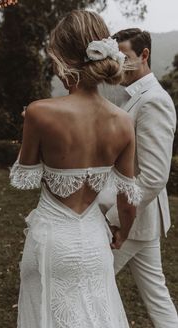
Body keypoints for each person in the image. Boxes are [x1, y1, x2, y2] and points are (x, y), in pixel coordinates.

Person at [10, 11, 142, 328]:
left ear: (63, 59)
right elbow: (128, 199)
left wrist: (30, 127)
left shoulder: (40, 113)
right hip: (96, 243)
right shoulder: (123, 122)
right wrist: (121, 233)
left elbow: (23, 176)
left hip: (51, 244)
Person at [99, 28, 178, 327]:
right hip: (144, 221)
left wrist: (117, 216)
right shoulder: (133, 96)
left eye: (126, 57)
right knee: (157, 297)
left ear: (144, 55)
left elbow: (155, 175)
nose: (120, 63)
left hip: (132, 219)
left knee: (91, 281)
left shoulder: (154, 100)